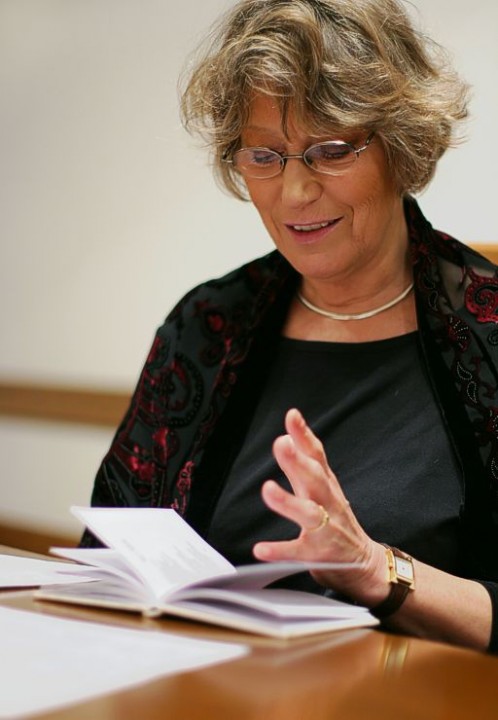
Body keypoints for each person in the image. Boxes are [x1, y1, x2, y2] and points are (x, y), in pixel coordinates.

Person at [82, 0, 498, 653]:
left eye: (330, 150)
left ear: (401, 145)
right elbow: (108, 557)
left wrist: (376, 570)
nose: (295, 192)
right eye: (265, 155)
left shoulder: (489, 333)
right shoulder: (205, 331)